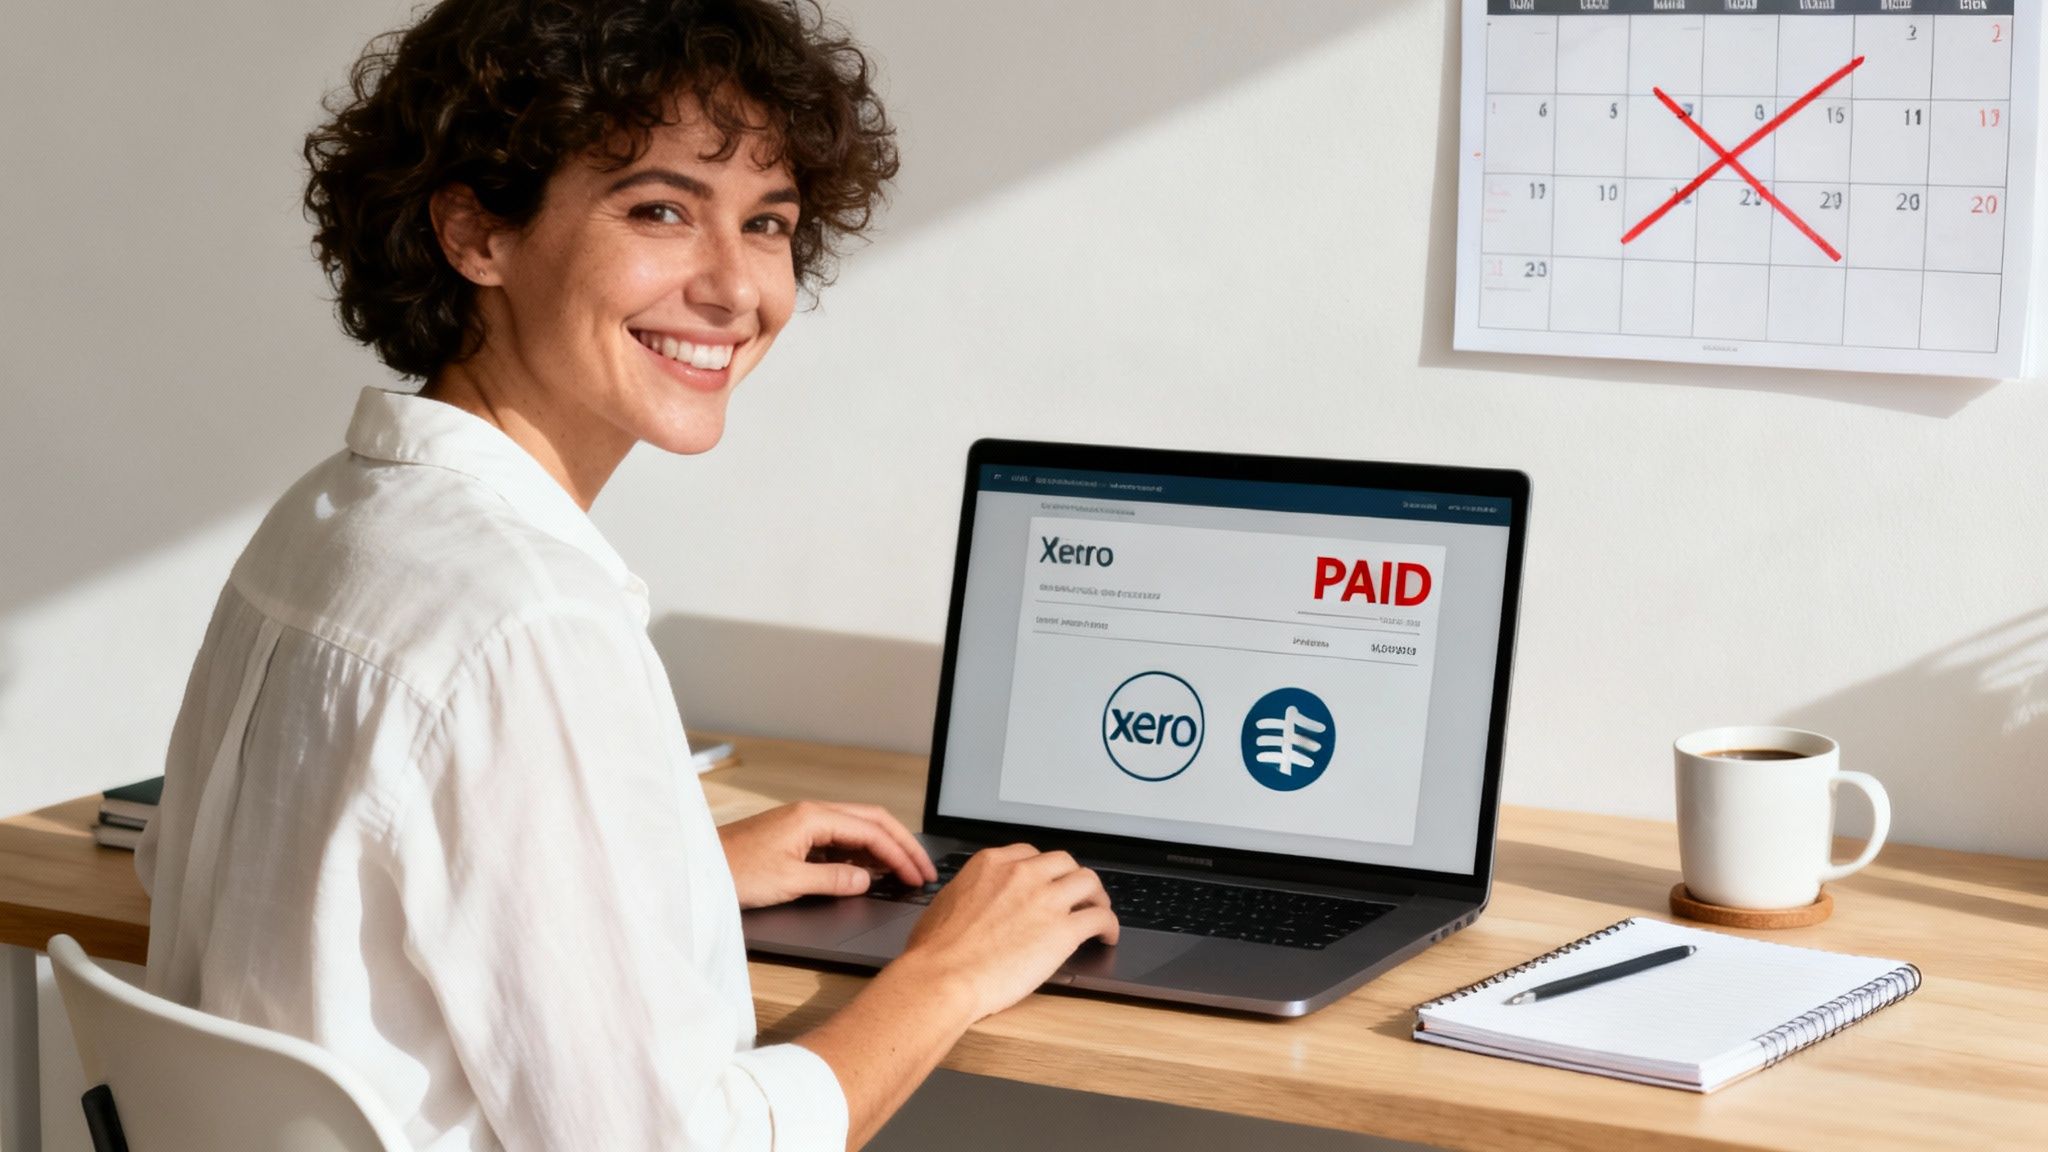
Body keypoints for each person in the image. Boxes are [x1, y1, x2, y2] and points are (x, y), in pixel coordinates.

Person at [134, 1, 1119, 1148]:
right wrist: (947, 972)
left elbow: (198, 872)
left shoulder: (327, 521)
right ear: (475, 233)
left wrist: (664, 870)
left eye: (766, 223)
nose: (733, 289)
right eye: (660, 209)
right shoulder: (530, 623)